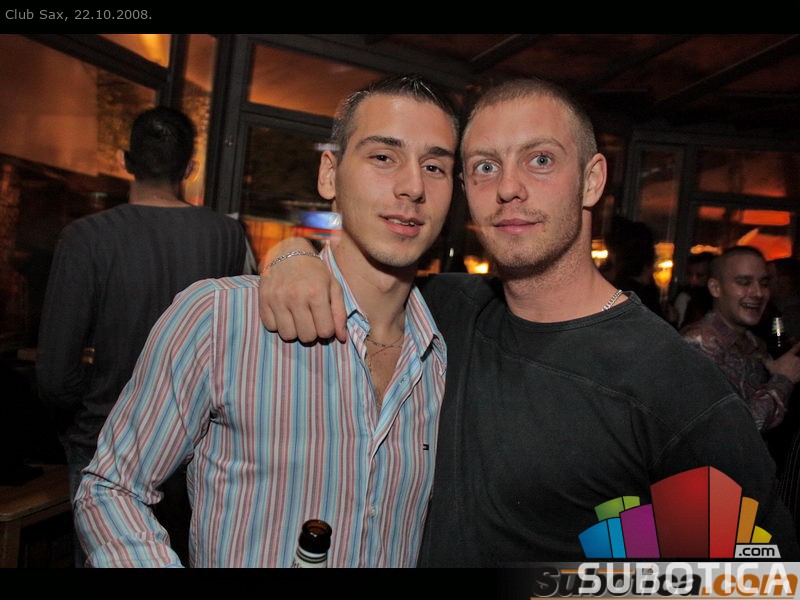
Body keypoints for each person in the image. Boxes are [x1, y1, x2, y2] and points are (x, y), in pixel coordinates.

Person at [258, 77, 800, 564]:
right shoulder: (447, 309)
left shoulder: (669, 380)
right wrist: (291, 254)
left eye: (540, 160)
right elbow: (361, 274)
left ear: (591, 181)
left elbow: (759, 576)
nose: (508, 188)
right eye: (485, 166)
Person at [72, 74, 459, 567]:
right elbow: (112, 487)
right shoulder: (220, 319)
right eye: (383, 157)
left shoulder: (449, 352)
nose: (413, 186)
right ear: (329, 174)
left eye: (434, 166)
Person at [36, 106, 248, 566]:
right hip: (195, 446)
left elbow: (54, 376)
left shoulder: (85, 237)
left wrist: (91, 410)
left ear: (125, 160)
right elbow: (238, 349)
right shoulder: (226, 235)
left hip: (106, 445)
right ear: (190, 169)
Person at [680, 246, 800, 434]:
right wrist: (783, 379)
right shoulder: (699, 342)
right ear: (715, 288)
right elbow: (733, 428)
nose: (758, 293)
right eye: (744, 282)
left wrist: (775, 371)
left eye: (764, 283)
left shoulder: (755, 343)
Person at [666, 250, 715, 329]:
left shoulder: (718, 301)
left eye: (699, 275)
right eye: (689, 274)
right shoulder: (685, 297)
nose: (693, 280)